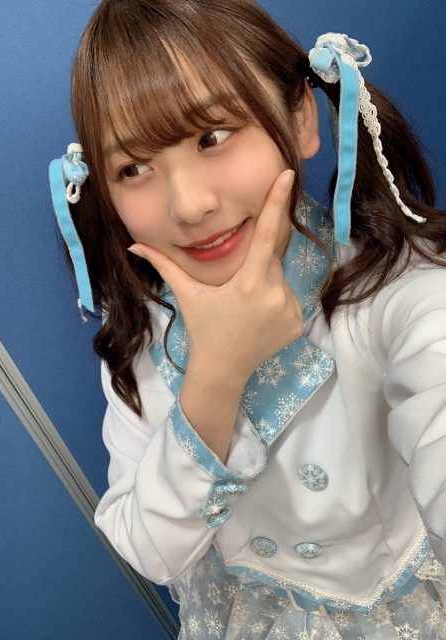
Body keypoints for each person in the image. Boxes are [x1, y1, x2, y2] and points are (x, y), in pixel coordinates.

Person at [49, 1, 446, 637]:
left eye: (212, 136)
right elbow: (147, 550)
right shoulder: (144, 335)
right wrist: (217, 374)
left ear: (302, 116)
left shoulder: (398, 291)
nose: (189, 205)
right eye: (133, 169)